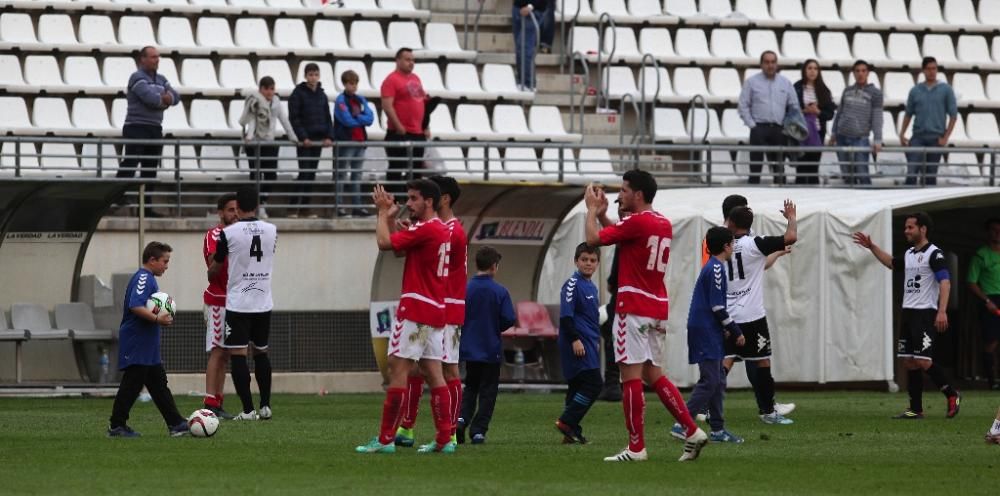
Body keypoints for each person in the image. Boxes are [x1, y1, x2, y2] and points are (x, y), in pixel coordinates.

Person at [583, 170, 708, 463]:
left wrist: (590, 210)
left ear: (638, 194)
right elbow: (623, 235)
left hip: (633, 306)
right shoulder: (661, 222)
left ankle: (636, 447)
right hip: (657, 306)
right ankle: (691, 430)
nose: (619, 196)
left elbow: (593, 240)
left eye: (624, 191)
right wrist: (603, 216)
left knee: (630, 377)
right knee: (654, 373)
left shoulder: (636, 222)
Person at [356, 180, 453, 454]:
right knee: (434, 373)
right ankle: (445, 439)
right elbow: (401, 250)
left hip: (416, 309)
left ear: (429, 202)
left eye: (413, 199)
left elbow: (384, 243)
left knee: (397, 372)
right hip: (434, 310)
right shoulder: (440, 229)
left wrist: (382, 213)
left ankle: (385, 440)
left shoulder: (426, 228)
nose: (408, 203)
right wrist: (398, 223)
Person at [853, 212, 961, 419]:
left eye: (910, 227)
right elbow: (892, 263)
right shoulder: (910, 253)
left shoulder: (934, 253)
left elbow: (945, 282)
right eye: (905, 227)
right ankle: (915, 409)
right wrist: (872, 247)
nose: (906, 231)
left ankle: (952, 394)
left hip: (925, 313)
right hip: (909, 313)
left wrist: (941, 310)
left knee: (923, 361)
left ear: (923, 229)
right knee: (909, 362)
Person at [395, 175, 467, 448]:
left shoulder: (451, 230)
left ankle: (449, 433)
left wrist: (413, 233)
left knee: (447, 371)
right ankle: (407, 426)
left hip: (447, 306)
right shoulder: (440, 228)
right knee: (415, 368)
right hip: (435, 305)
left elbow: (438, 266)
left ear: (442, 199)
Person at [722, 203, 798, 425]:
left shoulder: (723, 246)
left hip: (729, 314)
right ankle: (768, 412)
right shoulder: (755, 243)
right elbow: (791, 236)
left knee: (725, 361)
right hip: (752, 316)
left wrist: (777, 253)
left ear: (731, 223)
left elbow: (758, 265)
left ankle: (704, 406)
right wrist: (791, 218)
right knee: (762, 362)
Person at [207, 187, 278, 421]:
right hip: (263, 300)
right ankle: (266, 406)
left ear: (237, 208)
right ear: (257, 206)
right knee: (261, 352)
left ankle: (248, 410)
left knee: (238, 355)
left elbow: (215, 267)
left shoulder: (230, 233)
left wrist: (213, 269)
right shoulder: (271, 230)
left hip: (239, 302)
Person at [671, 226, 745, 444]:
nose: (733, 248)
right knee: (710, 379)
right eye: (733, 244)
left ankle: (718, 429)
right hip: (704, 329)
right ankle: (682, 423)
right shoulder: (716, 269)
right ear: (726, 246)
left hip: (708, 328)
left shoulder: (713, 267)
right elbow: (717, 306)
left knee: (718, 379)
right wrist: (736, 331)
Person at [107, 241, 189, 437]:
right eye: (165, 261)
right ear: (152, 260)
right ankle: (117, 425)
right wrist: (157, 318)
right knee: (132, 383)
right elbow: (136, 305)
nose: (167, 266)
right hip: (137, 340)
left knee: (158, 384)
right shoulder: (144, 277)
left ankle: (176, 423)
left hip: (147, 343)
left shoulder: (149, 277)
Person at [457, 246, 516, 444]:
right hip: (490, 349)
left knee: (471, 386)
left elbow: (458, 314)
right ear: (494, 266)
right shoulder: (500, 291)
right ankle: (478, 430)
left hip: (469, 348)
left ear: (476, 264)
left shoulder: (465, 289)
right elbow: (508, 318)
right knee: (488, 391)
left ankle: (462, 419)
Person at [116, 46, 180, 218]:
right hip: (136, 126)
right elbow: (150, 99)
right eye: (153, 57)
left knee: (150, 168)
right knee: (130, 163)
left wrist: (167, 99)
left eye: (157, 57)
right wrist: (165, 100)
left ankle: (146, 207)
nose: (156, 60)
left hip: (154, 127)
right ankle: (116, 197)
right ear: (142, 59)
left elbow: (176, 97)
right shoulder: (137, 77)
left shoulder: (161, 79)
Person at [554, 243, 603, 444]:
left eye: (592, 260)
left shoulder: (590, 285)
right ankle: (567, 421)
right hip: (576, 342)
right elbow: (566, 317)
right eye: (584, 259)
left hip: (588, 342)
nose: (588, 264)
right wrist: (575, 339)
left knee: (576, 387)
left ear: (598, 263)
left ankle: (571, 432)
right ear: (576, 261)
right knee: (593, 384)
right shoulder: (572, 284)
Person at [240, 76, 299, 219]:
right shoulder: (254, 100)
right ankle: (253, 207)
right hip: (254, 142)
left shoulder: (276, 103)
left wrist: (293, 137)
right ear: (260, 89)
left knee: (271, 175)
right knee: (255, 175)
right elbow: (252, 120)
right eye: (266, 89)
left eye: (272, 89)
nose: (269, 92)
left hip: (269, 142)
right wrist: (249, 137)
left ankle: (262, 202)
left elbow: (284, 119)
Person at [201, 193, 238, 420]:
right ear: (221, 212)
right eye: (230, 210)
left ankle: (218, 400)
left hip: (236, 301)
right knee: (217, 350)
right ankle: (209, 401)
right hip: (217, 300)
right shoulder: (213, 235)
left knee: (226, 353)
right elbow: (211, 270)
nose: (234, 214)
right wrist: (225, 249)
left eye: (237, 210)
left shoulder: (242, 234)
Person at [738, 50, 799, 185]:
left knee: (779, 165)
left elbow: (794, 105)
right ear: (761, 64)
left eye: (773, 62)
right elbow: (743, 105)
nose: (770, 65)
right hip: (759, 127)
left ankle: (781, 193)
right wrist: (752, 125)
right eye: (767, 62)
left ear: (776, 64)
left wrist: (786, 124)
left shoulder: (785, 83)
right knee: (755, 164)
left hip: (779, 128)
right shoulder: (751, 82)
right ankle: (753, 192)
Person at [899, 57, 958, 186]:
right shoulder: (915, 90)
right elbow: (908, 113)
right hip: (918, 136)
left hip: (936, 137)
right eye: (929, 69)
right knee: (911, 172)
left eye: (934, 68)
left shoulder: (946, 90)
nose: (932, 72)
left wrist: (946, 137)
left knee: (930, 175)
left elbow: (953, 115)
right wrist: (902, 133)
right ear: (923, 70)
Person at [288, 63, 334, 217]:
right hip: (305, 141)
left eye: (315, 74)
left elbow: (327, 117)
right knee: (304, 173)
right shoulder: (298, 93)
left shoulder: (322, 95)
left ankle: (305, 208)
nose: (313, 77)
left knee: (311, 174)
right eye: (310, 74)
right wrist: (303, 137)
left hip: (318, 140)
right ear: (305, 76)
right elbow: (294, 117)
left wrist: (329, 136)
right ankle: (293, 207)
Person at [381, 48, 429, 194]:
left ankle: (414, 203)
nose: (411, 63)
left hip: (417, 132)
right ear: (398, 60)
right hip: (399, 133)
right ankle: (392, 202)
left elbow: (423, 103)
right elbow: (387, 106)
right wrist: (398, 126)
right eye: (408, 59)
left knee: (416, 170)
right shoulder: (391, 80)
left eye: (413, 60)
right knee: (396, 168)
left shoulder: (416, 78)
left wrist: (425, 125)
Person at [829, 59, 883, 186]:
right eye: (857, 71)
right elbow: (839, 112)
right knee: (847, 175)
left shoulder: (875, 93)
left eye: (863, 71)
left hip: (860, 138)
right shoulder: (847, 90)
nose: (860, 74)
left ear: (868, 73)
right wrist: (833, 132)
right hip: (842, 136)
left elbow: (877, 117)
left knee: (862, 174)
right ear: (853, 73)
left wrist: (877, 139)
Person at [333, 69, 374, 218]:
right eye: (350, 83)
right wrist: (359, 118)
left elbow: (370, 118)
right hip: (346, 141)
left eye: (355, 83)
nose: (353, 86)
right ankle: (339, 207)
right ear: (344, 84)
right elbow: (347, 120)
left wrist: (358, 117)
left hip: (360, 141)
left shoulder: (360, 99)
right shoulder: (341, 100)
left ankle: (357, 206)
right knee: (341, 174)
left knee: (357, 175)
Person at [596, 199, 625, 402]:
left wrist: (593, 213)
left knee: (613, 338)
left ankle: (613, 384)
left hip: (625, 296)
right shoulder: (648, 226)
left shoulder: (632, 229)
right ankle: (614, 383)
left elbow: (595, 238)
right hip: (635, 296)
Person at [967, 218, 1000, 390]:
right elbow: (971, 282)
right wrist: (987, 301)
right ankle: (991, 381)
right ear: (988, 232)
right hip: (991, 300)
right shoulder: (981, 255)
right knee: (991, 342)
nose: (998, 233)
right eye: (994, 230)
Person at [793, 59, 835, 185]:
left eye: (815, 68)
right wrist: (804, 110)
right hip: (800, 131)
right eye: (809, 68)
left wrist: (818, 112)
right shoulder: (797, 88)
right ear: (804, 70)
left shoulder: (824, 90)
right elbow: (790, 109)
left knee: (813, 166)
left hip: (817, 132)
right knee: (801, 166)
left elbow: (829, 114)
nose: (812, 71)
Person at [513, 0, 545, 91]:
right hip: (518, 7)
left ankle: (528, 83)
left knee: (524, 46)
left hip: (533, 10)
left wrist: (531, 6)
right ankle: (522, 81)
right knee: (520, 49)